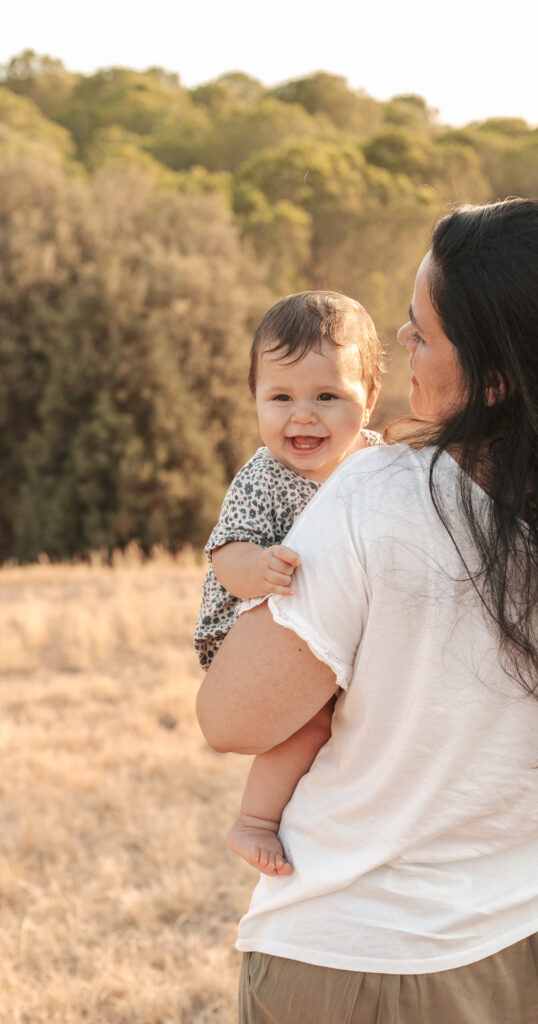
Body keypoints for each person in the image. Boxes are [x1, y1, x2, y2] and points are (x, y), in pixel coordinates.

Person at [197, 198, 538, 1024]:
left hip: (378, 957)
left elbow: (231, 716)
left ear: (493, 373)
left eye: (420, 332)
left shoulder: (375, 496)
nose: (401, 346)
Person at [194, 290, 383, 877]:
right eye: (280, 397)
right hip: (249, 626)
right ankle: (254, 821)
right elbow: (225, 553)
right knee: (312, 725)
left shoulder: (377, 463)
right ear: (254, 399)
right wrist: (261, 569)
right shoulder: (262, 477)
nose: (303, 415)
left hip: (330, 629)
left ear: (370, 399)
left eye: (327, 396)